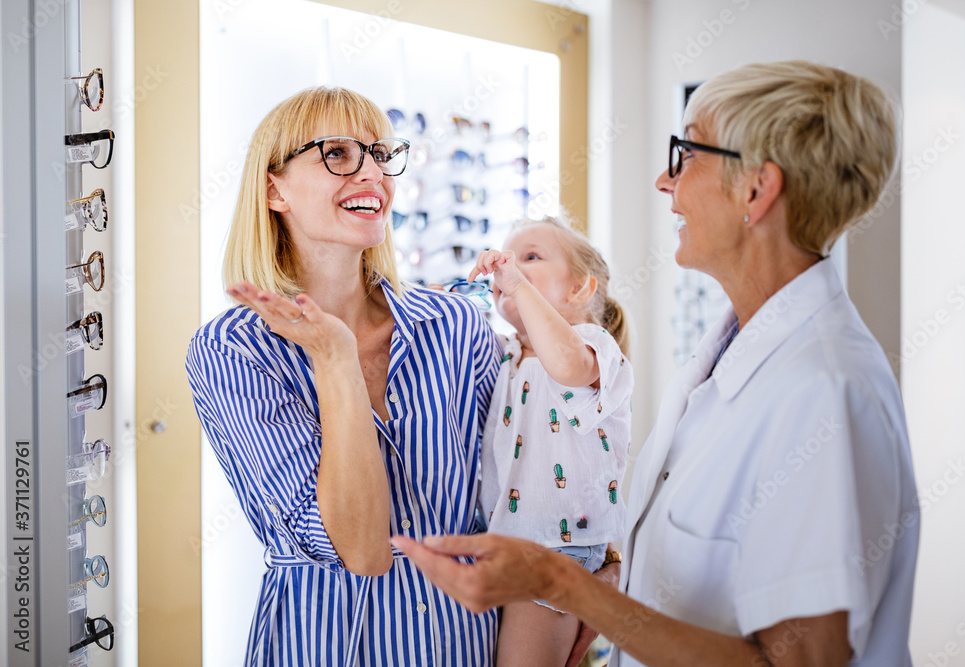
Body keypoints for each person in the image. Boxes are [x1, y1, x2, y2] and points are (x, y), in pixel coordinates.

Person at [395, 60, 920, 667]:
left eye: (687, 152)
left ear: (756, 189)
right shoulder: (727, 360)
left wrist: (564, 585)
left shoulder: (824, 391)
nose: (663, 181)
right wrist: (616, 574)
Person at [185, 86, 504, 666]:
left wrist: (594, 561)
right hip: (322, 645)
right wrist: (334, 359)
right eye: (336, 153)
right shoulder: (234, 350)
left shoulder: (457, 326)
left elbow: (526, 476)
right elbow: (357, 547)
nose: (371, 175)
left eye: (380, 154)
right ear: (274, 188)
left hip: (467, 645)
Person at [470, 217, 634, 667]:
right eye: (506, 255)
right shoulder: (506, 353)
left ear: (580, 290)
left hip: (556, 552)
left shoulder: (591, 345)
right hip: (510, 546)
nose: (509, 264)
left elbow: (566, 365)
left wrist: (517, 285)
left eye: (531, 257)